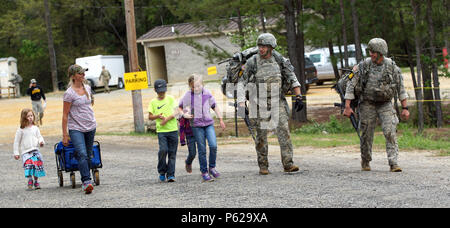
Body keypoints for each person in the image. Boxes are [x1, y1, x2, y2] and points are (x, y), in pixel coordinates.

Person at [236, 33, 303, 175]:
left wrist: (299, 96)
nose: (261, 49)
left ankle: (288, 164)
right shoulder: (252, 62)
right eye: (259, 46)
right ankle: (263, 165)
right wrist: (241, 103)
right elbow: (241, 83)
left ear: (271, 47)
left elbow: (292, 77)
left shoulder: (280, 60)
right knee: (261, 135)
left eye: (264, 46)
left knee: (284, 131)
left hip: (277, 101)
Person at [343, 38, 410, 172]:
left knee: (390, 131)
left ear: (381, 53)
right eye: (370, 51)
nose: (371, 54)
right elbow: (351, 85)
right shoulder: (364, 66)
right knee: (366, 133)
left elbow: (400, 88)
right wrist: (347, 106)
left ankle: (393, 162)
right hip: (367, 103)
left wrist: (405, 108)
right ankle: (366, 161)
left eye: (373, 52)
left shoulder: (392, 67)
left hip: (385, 104)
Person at [179, 74, 226, 182]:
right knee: (202, 149)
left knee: (213, 145)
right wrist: (184, 115)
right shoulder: (188, 95)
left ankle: (212, 167)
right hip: (196, 125)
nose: (196, 89)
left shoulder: (207, 93)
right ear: (190, 87)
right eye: (193, 87)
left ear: (202, 84)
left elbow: (214, 106)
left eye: (198, 86)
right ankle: (204, 172)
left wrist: (221, 119)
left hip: (208, 123)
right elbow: (180, 107)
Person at [62, 64, 97, 194]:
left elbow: (89, 105)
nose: (83, 75)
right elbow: (65, 115)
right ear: (73, 76)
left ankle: (87, 177)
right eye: (80, 73)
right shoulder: (69, 93)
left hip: (90, 126)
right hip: (76, 128)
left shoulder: (87, 87)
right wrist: (65, 134)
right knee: (82, 154)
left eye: (83, 73)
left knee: (88, 155)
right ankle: (86, 181)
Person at [148, 79, 179, 183]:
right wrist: (157, 116)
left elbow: (176, 112)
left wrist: (167, 119)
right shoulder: (153, 102)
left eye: (163, 91)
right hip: (161, 131)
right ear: (155, 91)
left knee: (172, 153)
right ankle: (162, 171)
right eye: (159, 92)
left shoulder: (171, 99)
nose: (161, 94)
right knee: (163, 150)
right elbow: (150, 117)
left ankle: (171, 175)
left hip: (173, 130)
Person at [13, 108, 46, 190]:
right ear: (24, 118)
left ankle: (36, 181)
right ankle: (30, 179)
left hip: (35, 150)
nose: (30, 118)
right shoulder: (21, 130)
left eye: (31, 116)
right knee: (29, 166)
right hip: (26, 152)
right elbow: (16, 142)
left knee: (36, 166)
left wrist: (41, 142)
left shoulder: (35, 128)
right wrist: (16, 153)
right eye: (28, 116)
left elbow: (39, 137)